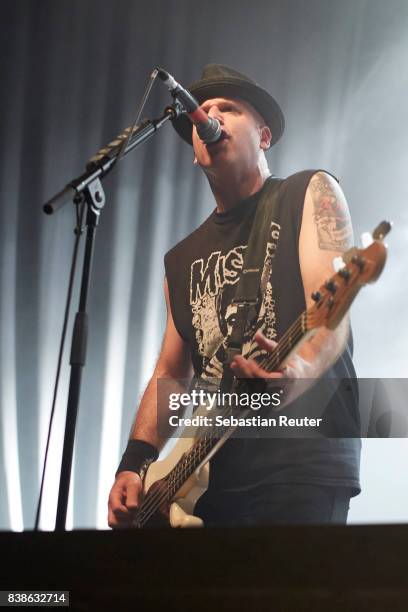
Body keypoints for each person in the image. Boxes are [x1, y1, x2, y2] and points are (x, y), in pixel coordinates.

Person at [108, 64, 361, 528]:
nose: (210, 117)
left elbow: (332, 311)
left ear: (264, 136)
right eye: (202, 111)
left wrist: (295, 371)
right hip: (211, 479)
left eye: (228, 109)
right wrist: (134, 462)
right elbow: (171, 371)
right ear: (194, 152)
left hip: (299, 463)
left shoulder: (308, 192)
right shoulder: (180, 259)